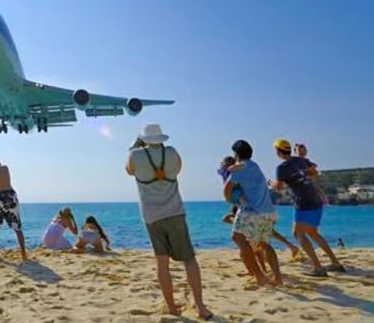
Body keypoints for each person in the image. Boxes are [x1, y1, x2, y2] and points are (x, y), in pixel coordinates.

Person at [126, 124, 212, 320]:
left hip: (151, 216)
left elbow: (129, 171)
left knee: (162, 263)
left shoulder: (135, 155)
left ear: (144, 139)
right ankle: (200, 307)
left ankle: (172, 308)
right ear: (162, 139)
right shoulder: (172, 152)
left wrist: (135, 149)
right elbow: (178, 170)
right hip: (174, 212)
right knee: (189, 260)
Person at [268, 138, 345, 277]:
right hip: (315, 199)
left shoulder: (282, 168)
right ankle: (335, 263)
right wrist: (315, 186)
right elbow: (314, 171)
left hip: (303, 202)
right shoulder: (301, 160)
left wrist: (270, 183)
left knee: (298, 234)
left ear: (278, 152)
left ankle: (318, 267)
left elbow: (279, 187)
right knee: (313, 233)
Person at [225, 140, 282, 286]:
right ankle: (278, 278)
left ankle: (259, 276)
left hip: (253, 211)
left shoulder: (240, 168)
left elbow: (227, 189)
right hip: (268, 210)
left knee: (238, 238)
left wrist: (230, 200)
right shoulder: (255, 165)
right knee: (265, 244)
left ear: (236, 154)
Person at [0, 154, 27, 261]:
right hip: (12, 195)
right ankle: (23, 254)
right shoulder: (5, 167)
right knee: (17, 227)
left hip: (2, 196)